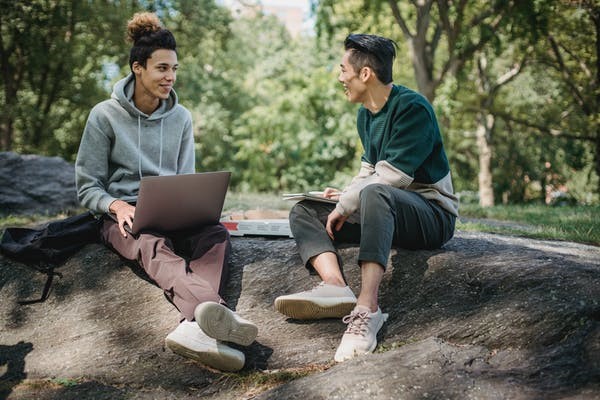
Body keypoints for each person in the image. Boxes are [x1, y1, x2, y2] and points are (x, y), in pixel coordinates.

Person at [75, 12, 257, 372]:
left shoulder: (181, 117)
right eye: (161, 68)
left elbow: (185, 177)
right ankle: (213, 314)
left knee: (216, 234)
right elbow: (86, 187)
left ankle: (193, 327)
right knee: (150, 242)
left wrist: (194, 207)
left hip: (171, 209)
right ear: (137, 68)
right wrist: (115, 205)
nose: (170, 77)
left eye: (174, 69)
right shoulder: (104, 116)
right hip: (122, 215)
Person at [274, 34, 458, 362]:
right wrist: (344, 195)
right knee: (305, 210)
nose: (340, 77)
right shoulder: (365, 114)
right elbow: (368, 170)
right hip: (385, 207)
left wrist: (348, 203)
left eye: (343, 69)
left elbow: (392, 177)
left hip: (432, 214)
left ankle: (367, 308)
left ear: (365, 74)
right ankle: (335, 286)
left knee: (376, 193)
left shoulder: (412, 108)